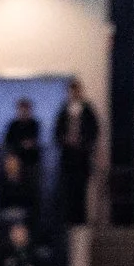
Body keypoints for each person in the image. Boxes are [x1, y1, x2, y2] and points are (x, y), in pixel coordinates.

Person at [54, 78, 100, 227]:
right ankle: (68, 217)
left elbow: (94, 132)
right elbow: (56, 133)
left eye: (76, 91)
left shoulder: (87, 110)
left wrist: (82, 141)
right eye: (71, 91)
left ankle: (81, 218)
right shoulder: (63, 110)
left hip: (82, 158)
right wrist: (65, 140)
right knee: (68, 189)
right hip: (68, 158)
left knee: (81, 189)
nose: (74, 93)